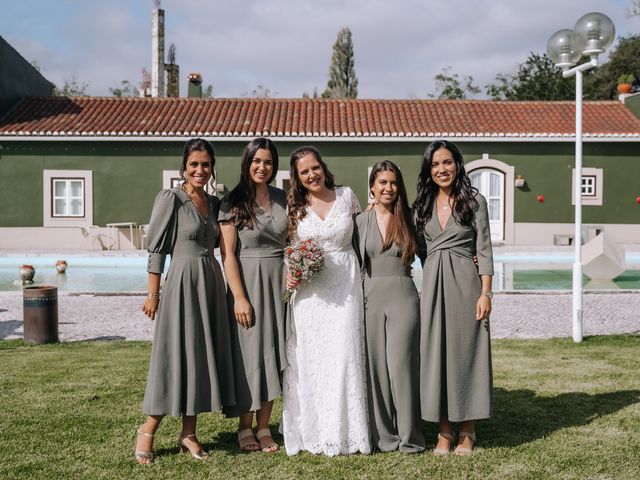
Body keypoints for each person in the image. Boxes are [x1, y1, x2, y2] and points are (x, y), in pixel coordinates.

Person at [134, 138, 234, 464]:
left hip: (210, 281)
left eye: (206, 164)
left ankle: (188, 434)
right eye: (194, 164)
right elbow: (156, 250)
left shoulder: (216, 203)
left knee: (201, 357)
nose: (200, 170)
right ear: (184, 167)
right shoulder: (171, 199)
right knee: (173, 355)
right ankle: (148, 429)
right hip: (180, 283)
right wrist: (153, 294)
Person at [282, 146, 370, 456]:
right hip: (310, 293)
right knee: (314, 358)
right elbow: (290, 251)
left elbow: (365, 237)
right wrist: (292, 275)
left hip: (346, 284)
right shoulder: (295, 207)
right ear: (297, 177)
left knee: (345, 354)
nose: (311, 174)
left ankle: (349, 432)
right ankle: (314, 431)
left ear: (323, 167)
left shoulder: (347, 196)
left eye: (315, 167)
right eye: (304, 171)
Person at [413, 140, 494, 456]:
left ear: (457, 165)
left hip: (466, 284)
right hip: (433, 286)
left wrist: (485, 293)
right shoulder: (422, 205)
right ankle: (444, 431)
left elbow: (484, 250)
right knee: (437, 356)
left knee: (466, 354)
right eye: (434, 164)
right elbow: (419, 248)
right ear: (428, 170)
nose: (441, 169)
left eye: (446, 162)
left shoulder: (474, 202)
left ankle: (468, 431)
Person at [218, 138, 288, 453]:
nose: (262, 167)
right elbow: (228, 254)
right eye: (257, 161)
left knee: (274, 351)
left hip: (280, 283)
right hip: (247, 280)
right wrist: (239, 297)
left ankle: (264, 427)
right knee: (250, 355)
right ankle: (245, 426)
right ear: (247, 162)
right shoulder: (232, 201)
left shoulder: (284, 199)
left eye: (268, 162)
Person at [354, 161, 425, 453]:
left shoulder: (411, 218)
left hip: (403, 295)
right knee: (376, 369)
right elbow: (351, 265)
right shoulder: (359, 222)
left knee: (402, 367)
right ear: (372, 186)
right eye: (382, 182)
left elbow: (430, 255)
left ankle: (410, 437)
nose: (388, 188)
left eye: (393, 183)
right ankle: (384, 438)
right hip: (370, 297)